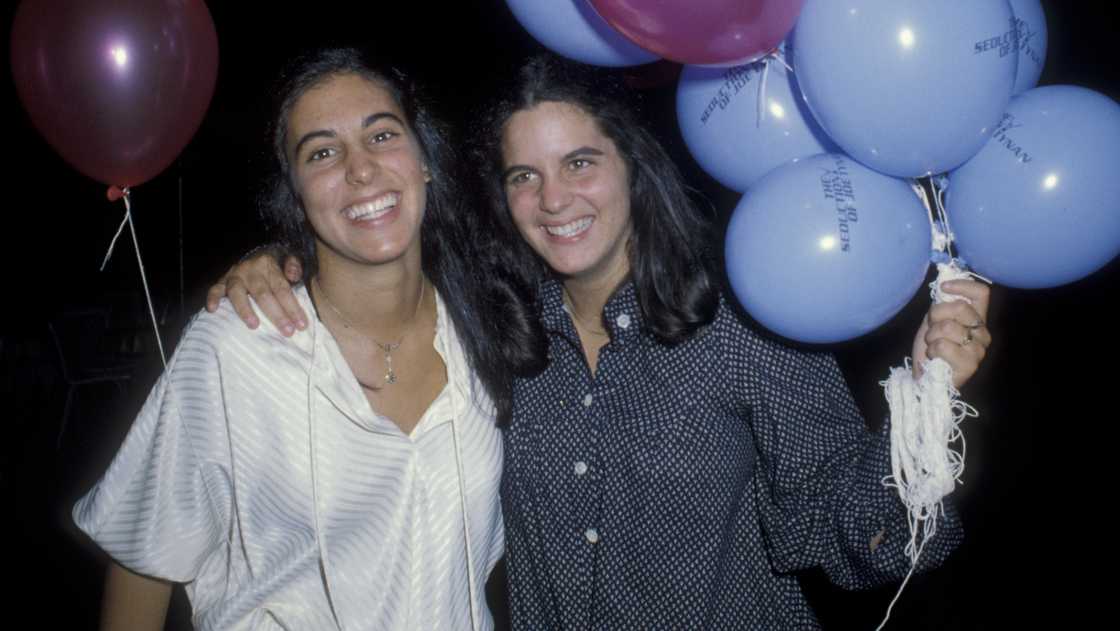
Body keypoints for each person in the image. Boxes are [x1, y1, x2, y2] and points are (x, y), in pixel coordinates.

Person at [211, 55, 992, 629]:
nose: (554, 200)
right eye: (523, 176)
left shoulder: (744, 321)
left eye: (579, 162)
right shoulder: (488, 331)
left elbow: (857, 534)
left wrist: (925, 404)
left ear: (632, 166)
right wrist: (276, 262)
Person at [74, 47, 538, 631]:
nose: (360, 169)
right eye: (322, 152)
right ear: (296, 192)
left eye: (382, 135)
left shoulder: (487, 326)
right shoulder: (235, 347)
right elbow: (144, 555)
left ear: (424, 160)